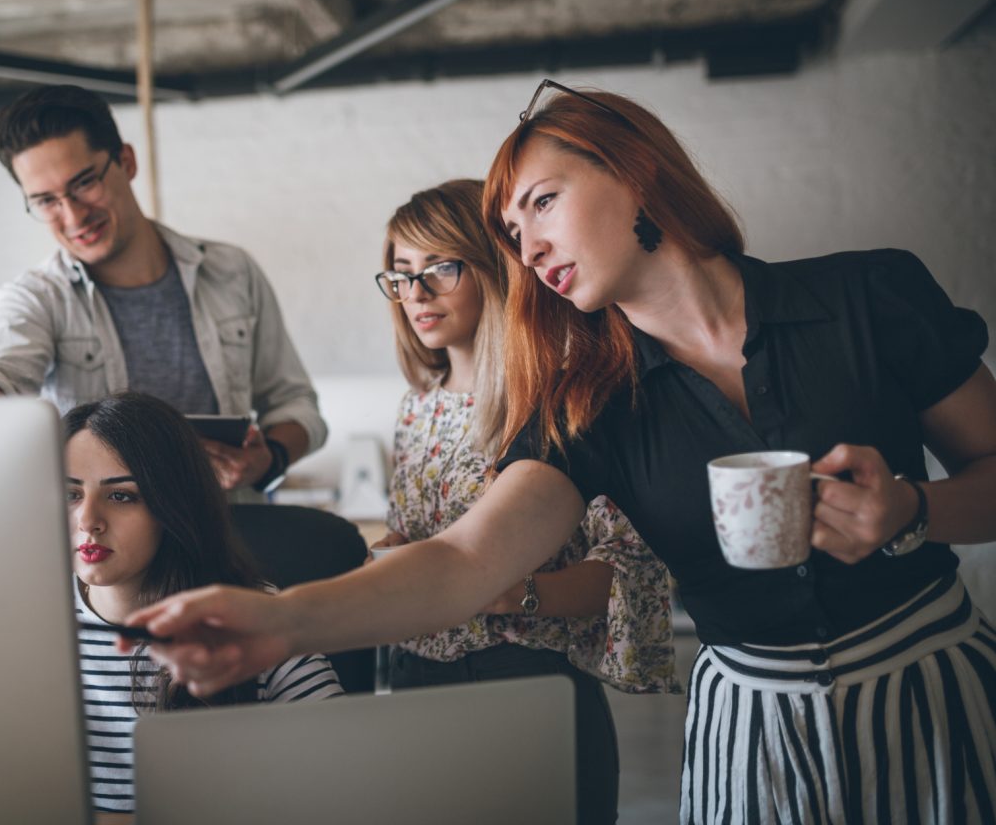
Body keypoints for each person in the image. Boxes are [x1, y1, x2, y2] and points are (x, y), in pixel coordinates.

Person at [121, 83, 996, 823]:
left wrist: (913, 510)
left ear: (635, 172)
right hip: (753, 727)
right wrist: (285, 622)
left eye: (542, 202)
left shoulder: (869, 295)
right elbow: (464, 558)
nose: (530, 250)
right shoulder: (587, 408)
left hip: (938, 686)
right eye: (510, 230)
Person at [371, 178, 679, 820]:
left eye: (439, 267)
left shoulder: (564, 402)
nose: (415, 294)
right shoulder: (414, 408)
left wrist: (515, 591)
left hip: (522, 677)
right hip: (414, 682)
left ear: (494, 265)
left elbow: (634, 569)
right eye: (400, 275)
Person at [0, 85, 325, 498]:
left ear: (126, 161)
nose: (72, 215)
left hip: (230, 536)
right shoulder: (38, 297)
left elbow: (295, 403)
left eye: (84, 183)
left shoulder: (232, 272)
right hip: (100, 553)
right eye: (46, 201)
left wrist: (269, 457)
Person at [63, 392, 343, 816]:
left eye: (122, 496)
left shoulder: (251, 614)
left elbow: (345, 769)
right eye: (71, 495)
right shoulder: (30, 622)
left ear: (173, 508)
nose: (88, 520)